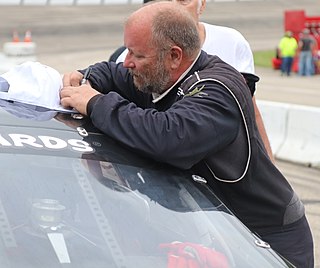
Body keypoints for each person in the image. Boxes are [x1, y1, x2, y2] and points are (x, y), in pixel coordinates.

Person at [60, 2, 314, 267]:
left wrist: (95, 103)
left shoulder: (217, 89)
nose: (128, 62)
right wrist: (84, 76)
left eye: (137, 55)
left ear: (174, 56)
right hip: (217, 230)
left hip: (266, 237)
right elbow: (114, 73)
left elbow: (168, 138)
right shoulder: (157, 74)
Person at [113, 0, 274, 163]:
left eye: (184, 0)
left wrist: (270, 165)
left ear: (202, 4)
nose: (174, 6)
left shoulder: (231, 42)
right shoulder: (127, 58)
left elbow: (251, 112)